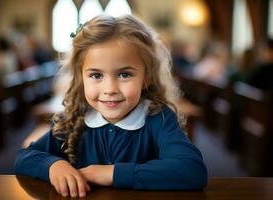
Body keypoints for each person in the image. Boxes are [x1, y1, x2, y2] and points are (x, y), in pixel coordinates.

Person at [14, 15, 207, 198]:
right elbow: (25, 157)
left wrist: (111, 173)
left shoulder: (159, 118)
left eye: (124, 74)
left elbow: (192, 170)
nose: (110, 89)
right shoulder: (73, 119)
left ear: (146, 78)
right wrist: (53, 165)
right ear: (81, 78)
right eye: (96, 75)